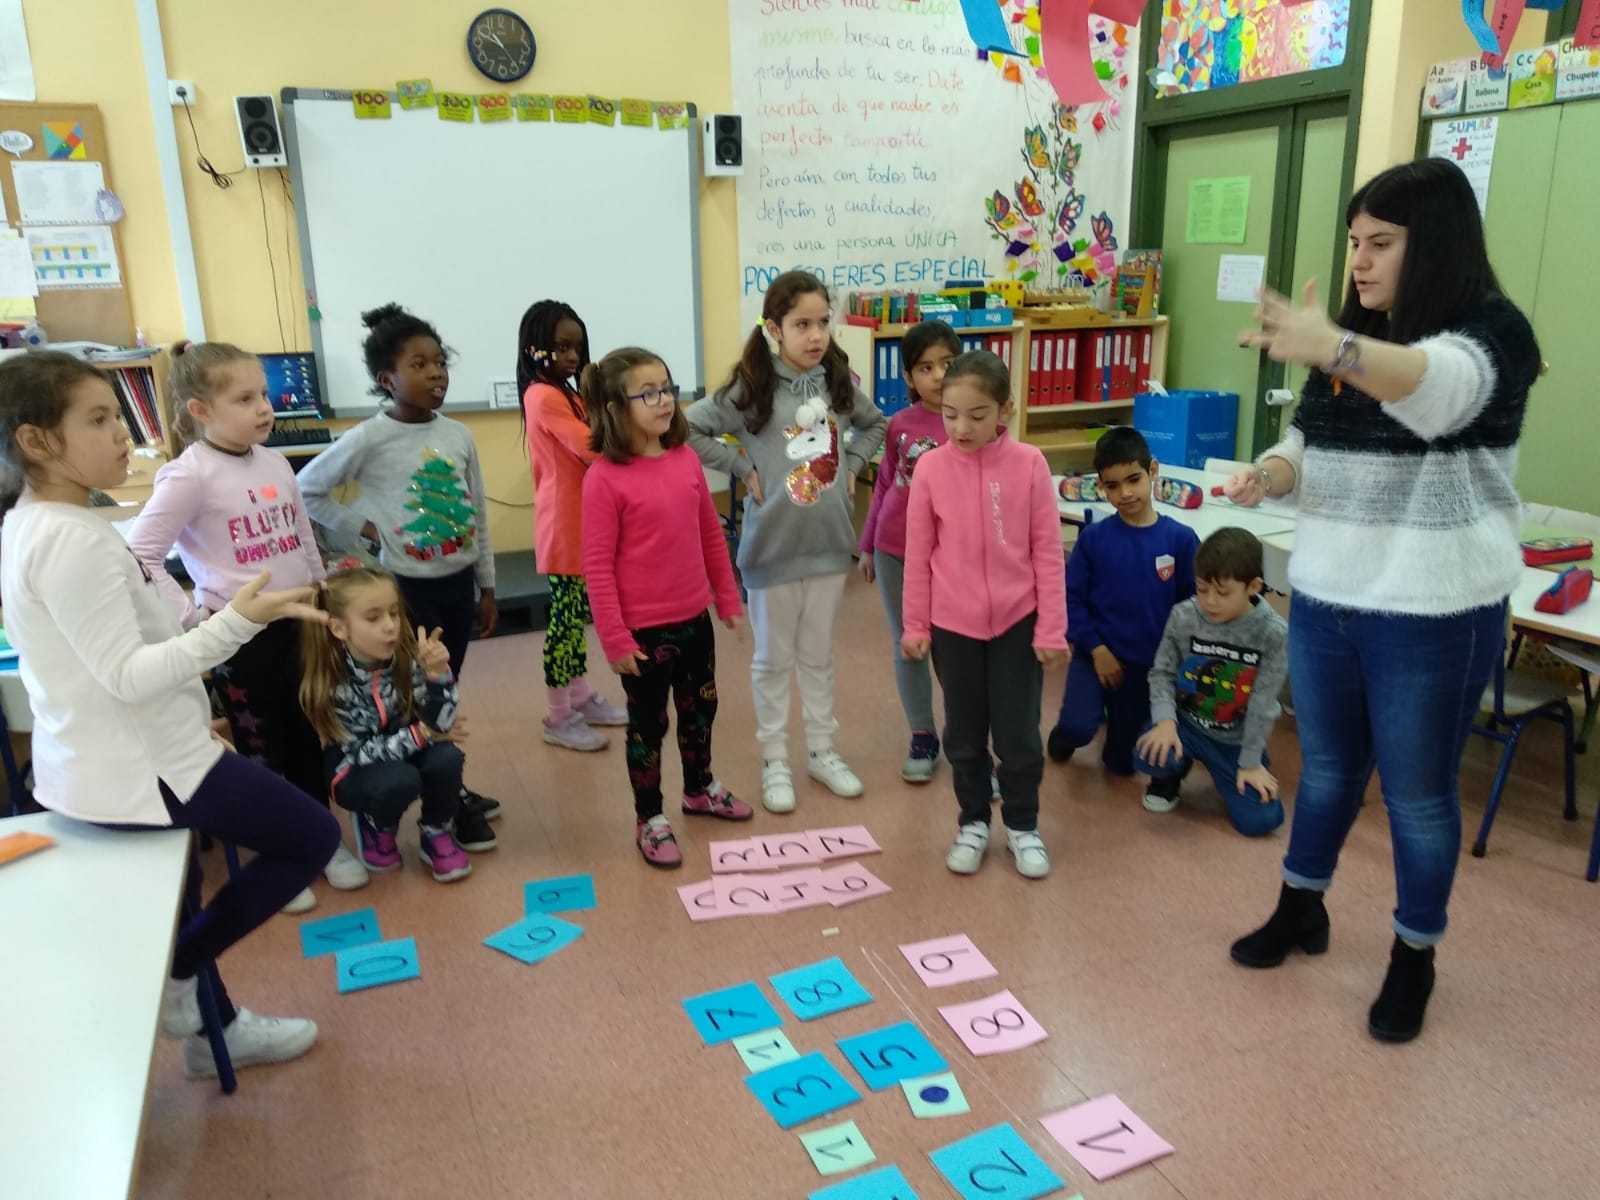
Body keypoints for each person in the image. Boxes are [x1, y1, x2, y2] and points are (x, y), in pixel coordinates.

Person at [1224, 157, 1542, 1043]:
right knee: (1327, 770)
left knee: (1417, 797)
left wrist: (1329, 343)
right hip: (1330, 594)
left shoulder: (1492, 334)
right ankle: (1301, 906)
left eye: (1382, 243)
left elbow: (1434, 390)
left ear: (1431, 242)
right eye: (1355, 242)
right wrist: (1273, 471)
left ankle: (1414, 954)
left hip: (1434, 612)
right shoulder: (1358, 336)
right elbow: (1311, 436)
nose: (1360, 261)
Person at [0, 350, 339, 1079]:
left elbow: (101, 662)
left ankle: (213, 1028)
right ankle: (178, 977)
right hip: (145, 769)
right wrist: (236, 622)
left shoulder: (40, 522)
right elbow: (126, 676)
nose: (122, 433)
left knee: (182, 897)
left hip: (118, 757)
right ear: (35, 441)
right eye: (98, 419)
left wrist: (189, 705)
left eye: (118, 416)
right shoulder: (69, 539)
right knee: (311, 835)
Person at [129, 341, 368, 909]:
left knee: (308, 731)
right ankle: (276, 849)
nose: (264, 407)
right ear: (200, 410)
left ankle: (319, 837)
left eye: (263, 394)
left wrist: (323, 591)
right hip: (241, 638)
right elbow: (139, 554)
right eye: (244, 398)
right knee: (262, 744)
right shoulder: (188, 475)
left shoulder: (275, 462)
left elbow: (301, 533)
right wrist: (191, 618)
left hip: (301, 624)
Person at [296, 304, 499, 849]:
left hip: (457, 584)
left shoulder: (458, 436)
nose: (436, 374)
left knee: (444, 683)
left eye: (440, 363)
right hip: (404, 591)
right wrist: (365, 531)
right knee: (407, 693)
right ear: (388, 379)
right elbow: (306, 489)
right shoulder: (370, 438)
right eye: (419, 364)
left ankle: (444, 786)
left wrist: (487, 586)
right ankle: (414, 793)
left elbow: (478, 512)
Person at [686, 271, 887, 813]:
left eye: (823, 322)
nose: (816, 335)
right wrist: (739, 465)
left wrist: (853, 464)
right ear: (774, 328)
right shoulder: (752, 385)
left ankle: (822, 751)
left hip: (828, 545)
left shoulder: (837, 379)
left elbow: (875, 425)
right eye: (802, 324)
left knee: (818, 657)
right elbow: (689, 428)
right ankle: (774, 759)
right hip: (772, 548)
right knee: (773, 660)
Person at [579, 346, 750, 866]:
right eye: (647, 393)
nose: (664, 401)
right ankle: (649, 817)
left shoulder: (685, 459)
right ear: (615, 408)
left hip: (695, 619)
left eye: (667, 389)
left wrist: (727, 598)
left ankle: (699, 789)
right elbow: (597, 567)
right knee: (648, 726)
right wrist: (614, 639)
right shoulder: (603, 478)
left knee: (701, 711)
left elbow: (710, 536)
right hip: (643, 635)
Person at [901, 350, 1067, 878]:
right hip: (953, 626)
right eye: (950, 414)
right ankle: (972, 821)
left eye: (977, 415)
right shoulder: (931, 468)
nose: (961, 428)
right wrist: (915, 624)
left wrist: (1052, 628)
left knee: (1019, 736)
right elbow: (918, 554)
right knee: (964, 735)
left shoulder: (1030, 464)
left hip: (1018, 623)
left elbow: (1047, 552)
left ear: (1005, 410)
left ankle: (1022, 825)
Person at [299, 564, 472, 883]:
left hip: (405, 747)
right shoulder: (333, 683)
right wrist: (424, 733)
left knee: (447, 758)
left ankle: (436, 830)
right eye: (373, 617)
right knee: (400, 780)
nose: (391, 626)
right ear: (339, 628)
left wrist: (439, 675)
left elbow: (443, 724)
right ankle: (376, 824)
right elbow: (361, 752)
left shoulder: (408, 659)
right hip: (354, 769)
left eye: (394, 613)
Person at [1047, 427, 1199, 776]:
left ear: (1153, 470)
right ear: (1101, 487)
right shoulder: (1094, 539)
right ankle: (1068, 732)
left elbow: (1191, 608)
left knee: (1120, 765)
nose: (1125, 493)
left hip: (1148, 666)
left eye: (1134, 480)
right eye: (1113, 486)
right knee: (1078, 727)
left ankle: (1115, 721)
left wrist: (1175, 665)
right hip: (1096, 654)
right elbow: (1071, 600)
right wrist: (1096, 649)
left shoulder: (1181, 540)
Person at [517, 298, 627, 752]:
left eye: (576, 347)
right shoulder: (543, 396)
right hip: (565, 529)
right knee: (564, 625)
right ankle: (558, 716)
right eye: (561, 347)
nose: (571, 356)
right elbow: (591, 446)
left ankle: (580, 698)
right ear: (535, 348)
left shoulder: (568, 393)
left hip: (584, 523)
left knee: (576, 618)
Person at [857, 320, 962, 782]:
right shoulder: (900, 424)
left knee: (957, 649)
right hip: (895, 549)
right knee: (910, 643)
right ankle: (923, 733)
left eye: (948, 364)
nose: (938, 376)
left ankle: (966, 738)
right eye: (926, 367)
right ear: (909, 377)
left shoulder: (980, 423)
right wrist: (866, 545)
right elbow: (885, 485)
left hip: (954, 556)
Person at [1136, 527, 1288, 836]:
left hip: (1235, 738)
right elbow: (1162, 673)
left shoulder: (1273, 633)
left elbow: (1263, 704)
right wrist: (1165, 723)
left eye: (1223, 593)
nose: (1210, 601)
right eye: (1202, 589)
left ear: (1253, 586)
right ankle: (1170, 776)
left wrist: (1249, 761)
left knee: (1262, 820)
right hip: (1186, 724)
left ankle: (1239, 767)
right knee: (1148, 755)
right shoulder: (1183, 615)